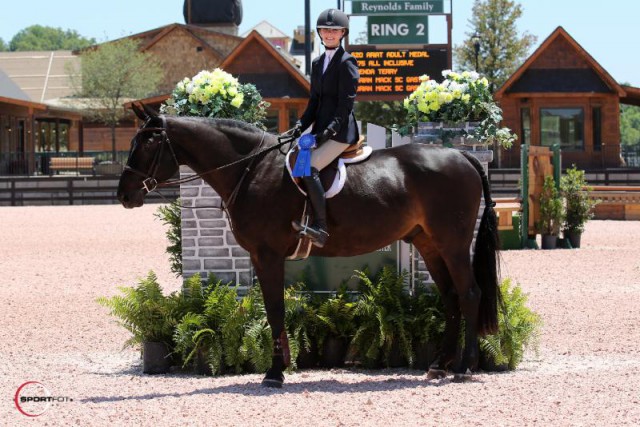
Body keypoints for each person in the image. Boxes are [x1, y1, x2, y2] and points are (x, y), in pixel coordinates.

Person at [289, 8, 360, 248]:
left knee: (308, 167)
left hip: (340, 132)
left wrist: (326, 133)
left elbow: (345, 105)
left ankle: (320, 227)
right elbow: (315, 102)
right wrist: (299, 126)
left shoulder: (347, 62)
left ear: (342, 33)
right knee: (292, 159)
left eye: (334, 30)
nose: (329, 34)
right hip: (319, 130)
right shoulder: (318, 62)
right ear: (320, 33)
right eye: (325, 30)